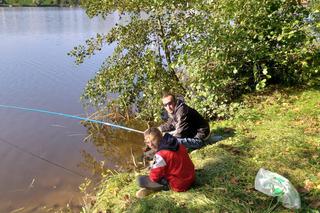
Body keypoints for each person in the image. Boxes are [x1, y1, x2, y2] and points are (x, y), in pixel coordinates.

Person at [136, 127, 195, 198]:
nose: (151, 145)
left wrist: (153, 167)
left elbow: (154, 177)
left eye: (153, 140)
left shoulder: (161, 155)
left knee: (140, 180)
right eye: (148, 142)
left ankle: (159, 188)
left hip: (181, 184)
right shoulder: (175, 142)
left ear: (160, 137)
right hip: (192, 176)